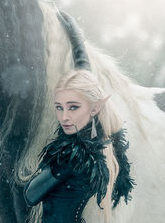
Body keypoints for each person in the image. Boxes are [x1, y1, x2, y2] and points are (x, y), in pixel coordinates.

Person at [24, 69, 135, 223]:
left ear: (95, 108)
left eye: (73, 107)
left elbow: (30, 195)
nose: (64, 117)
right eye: (59, 107)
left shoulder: (72, 156)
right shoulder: (100, 145)